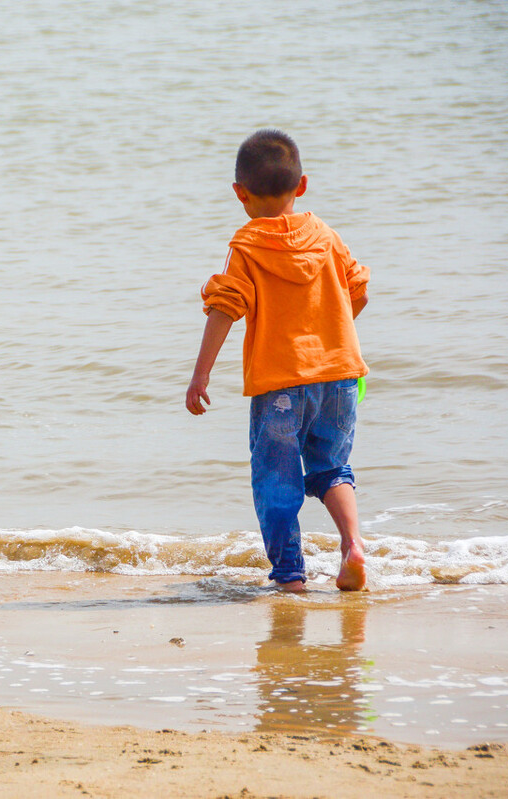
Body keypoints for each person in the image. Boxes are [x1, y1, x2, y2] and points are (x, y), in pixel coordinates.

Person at [185, 130, 369, 592]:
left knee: (277, 480)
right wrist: (329, 333)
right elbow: (356, 290)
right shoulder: (325, 235)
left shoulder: (247, 245)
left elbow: (225, 306)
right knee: (331, 467)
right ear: (302, 185)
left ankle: (290, 577)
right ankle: (352, 545)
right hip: (341, 376)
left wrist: (200, 373)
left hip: (280, 386)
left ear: (239, 193)